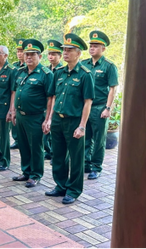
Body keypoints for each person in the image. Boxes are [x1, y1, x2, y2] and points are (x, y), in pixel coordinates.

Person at [45, 33, 94, 205]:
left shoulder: (85, 75)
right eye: (64, 50)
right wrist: (49, 119)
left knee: (76, 157)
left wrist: (82, 126)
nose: (65, 53)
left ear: (79, 53)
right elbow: (52, 98)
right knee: (57, 155)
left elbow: (88, 103)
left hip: (74, 121)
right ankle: (61, 186)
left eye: (69, 50)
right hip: (58, 120)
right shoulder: (58, 73)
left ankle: (73, 190)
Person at [9, 39, 54, 188]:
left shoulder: (46, 74)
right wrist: (13, 110)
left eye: (32, 55)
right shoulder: (20, 72)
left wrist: (48, 119)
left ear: (40, 57)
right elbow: (15, 92)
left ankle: (35, 175)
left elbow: (50, 98)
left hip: (36, 117)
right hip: (21, 115)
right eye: (26, 54)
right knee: (23, 145)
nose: (28, 57)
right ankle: (26, 171)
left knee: (36, 147)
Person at [81, 31, 119, 180]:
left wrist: (108, 108)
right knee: (85, 136)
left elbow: (113, 88)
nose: (92, 48)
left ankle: (96, 167)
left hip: (99, 107)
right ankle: (85, 164)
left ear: (103, 49)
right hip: (85, 107)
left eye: (96, 46)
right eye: (91, 46)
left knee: (99, 140)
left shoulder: (109, 66)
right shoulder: (83, 64)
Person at [44, 40, 65, 160]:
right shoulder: (46, 70)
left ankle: (54, 154)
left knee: (54, 133)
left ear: (59, 56)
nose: (51, 56)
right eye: (49, 54)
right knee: (45, 131)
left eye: (54, 54)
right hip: (46, 104)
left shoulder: (62, 70)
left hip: (57, 104)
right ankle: (47, 151)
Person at [9, 38, 25, 149]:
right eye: (18, 51)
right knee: (14, 121)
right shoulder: (14, 66)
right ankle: (16, 139)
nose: (19, 54)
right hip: (15, 95)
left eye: (21, 51)